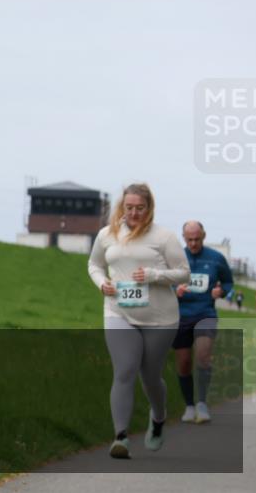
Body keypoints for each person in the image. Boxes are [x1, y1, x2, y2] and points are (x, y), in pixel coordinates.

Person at [87, 183, 190, 459]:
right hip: (118, 311)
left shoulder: (164, 237)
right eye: (129, 207)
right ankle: (120, 436)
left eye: (139, 208)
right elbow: (94, 265)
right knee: (124, 370)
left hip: (160, 317)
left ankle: (158, 418)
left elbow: (183, 273)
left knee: (150, 376)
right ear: (123, 207)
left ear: (149, 209)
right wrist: (101, 283)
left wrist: (154, 275)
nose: (133, 213)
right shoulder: (107, 235)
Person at [172, 221, 234, 424]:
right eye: (189, 239)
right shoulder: (175, 258)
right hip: (180, 316)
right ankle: (189, 405)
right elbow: (163, 285)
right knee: (183, 363)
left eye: (197, 239)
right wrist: (175, 291)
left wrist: (222, 291)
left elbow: (228, 281)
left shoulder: (216, 258)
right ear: (183, 237)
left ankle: (202, 403)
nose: (193, 243)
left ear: (204, 236)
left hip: (205, 314)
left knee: (203, 356)